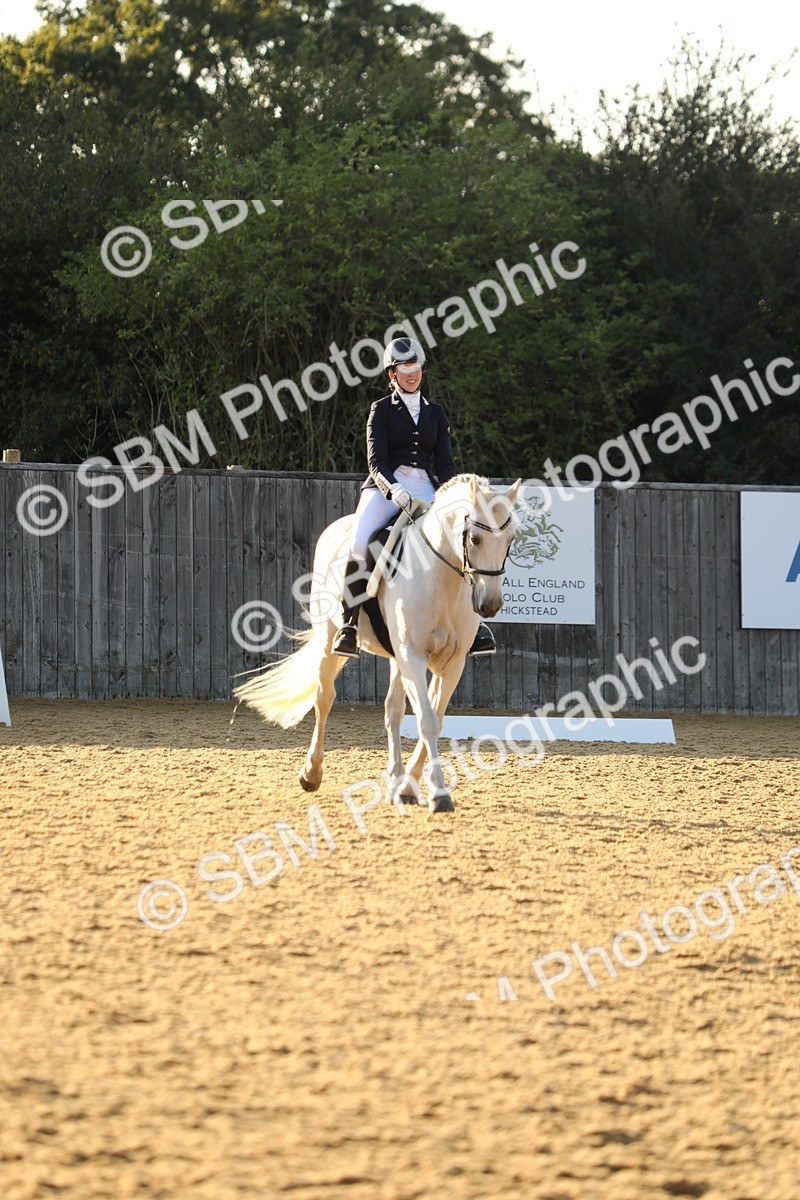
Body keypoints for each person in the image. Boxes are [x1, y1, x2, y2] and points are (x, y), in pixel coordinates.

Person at [331, 336, 498, 659]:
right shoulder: (380, 410)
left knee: (460, 541)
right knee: (362, 542)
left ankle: (474, 627)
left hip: (427, 487)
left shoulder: (436, 413)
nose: (412, 373)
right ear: (392, 374)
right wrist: (393, 489)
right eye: (404, 368)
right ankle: (348, 624)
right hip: (386, 489)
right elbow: (376, 461)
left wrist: (454, 498)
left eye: (416, 367)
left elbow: (445, 464)